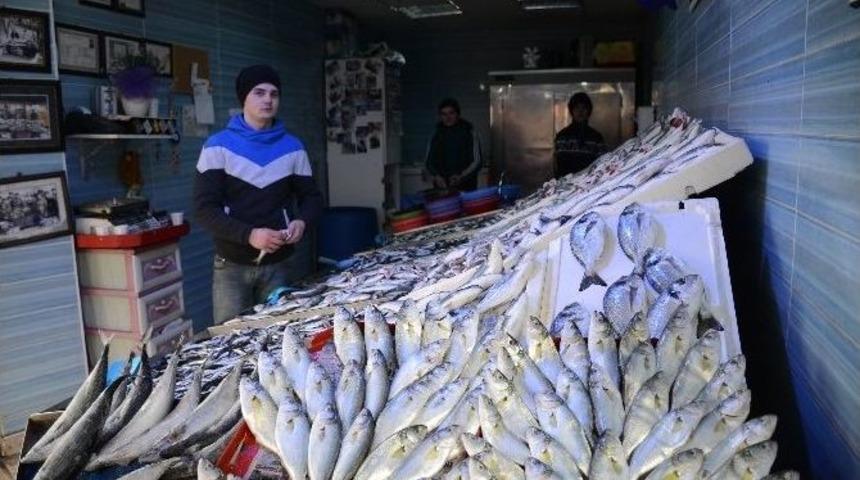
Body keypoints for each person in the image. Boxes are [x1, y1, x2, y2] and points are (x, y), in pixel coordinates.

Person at [194, 64, 323, 324]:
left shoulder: (293, 148)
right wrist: (250, 235)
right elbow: (204, 210)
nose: (268, 100)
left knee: (281, 340)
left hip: (279, 265)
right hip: (231, 266)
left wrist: (302, 221)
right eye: (259, 92)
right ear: (244, 97)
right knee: (230, 343)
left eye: (274, 94)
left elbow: (312, 198)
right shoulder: (217, 147)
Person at [425, 98, 482, 191]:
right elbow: (428, 162)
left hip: (466, 188)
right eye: (444, 114)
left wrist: (461, 176)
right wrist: (436, 176)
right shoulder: (436, 133)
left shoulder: (468, 131)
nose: (448, 117)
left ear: (457, 114)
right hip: (442, 188)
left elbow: (477, 161)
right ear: (440, 116)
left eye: (451, 113)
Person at [554, 92, 606, 177]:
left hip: (590, 184)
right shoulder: (562, 136)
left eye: (584, 108)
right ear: (572, 111)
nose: (580, 111)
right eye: (577, 108)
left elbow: (602, 163)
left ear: (589, 111)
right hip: (567, 184)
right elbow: (559, 166)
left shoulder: (596, 137)